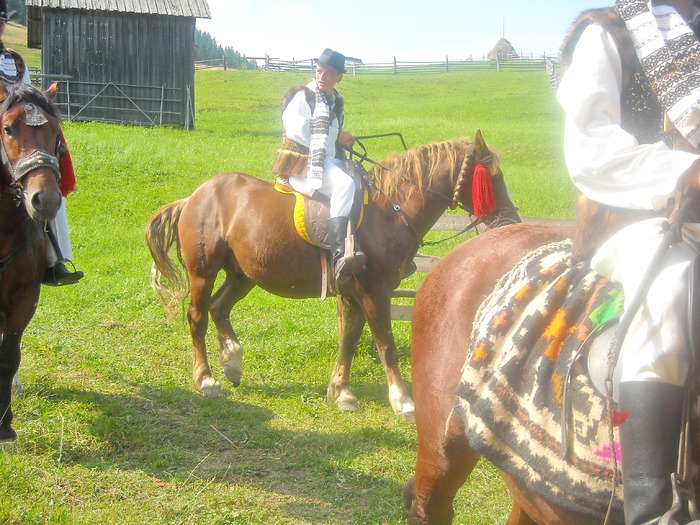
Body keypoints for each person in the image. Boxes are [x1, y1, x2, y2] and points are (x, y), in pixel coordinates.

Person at [558, 0, 700, 523]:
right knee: (667, 293)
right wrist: (688, 171)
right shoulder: (610, 33)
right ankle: (651, 503)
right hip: (647, 213)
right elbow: (591, 150)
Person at [0, 0, 83, 285]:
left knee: (46, 172)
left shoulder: (14, 59)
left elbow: (24, 93)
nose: (0, 25)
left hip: (11, 129)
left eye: (2, 21)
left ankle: (54, 258)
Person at [272, 48, 361, 286]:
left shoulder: (335, 101)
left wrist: (339, 140)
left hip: (326, 160)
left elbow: (329, 143)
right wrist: (337, 134)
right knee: (345, 185)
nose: (321, 76)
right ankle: (340, 254)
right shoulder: (302, 96)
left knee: (362, 180)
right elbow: (298, 131)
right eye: (319, 71)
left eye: (328, 73)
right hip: (301, 163)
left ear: (338, 77)